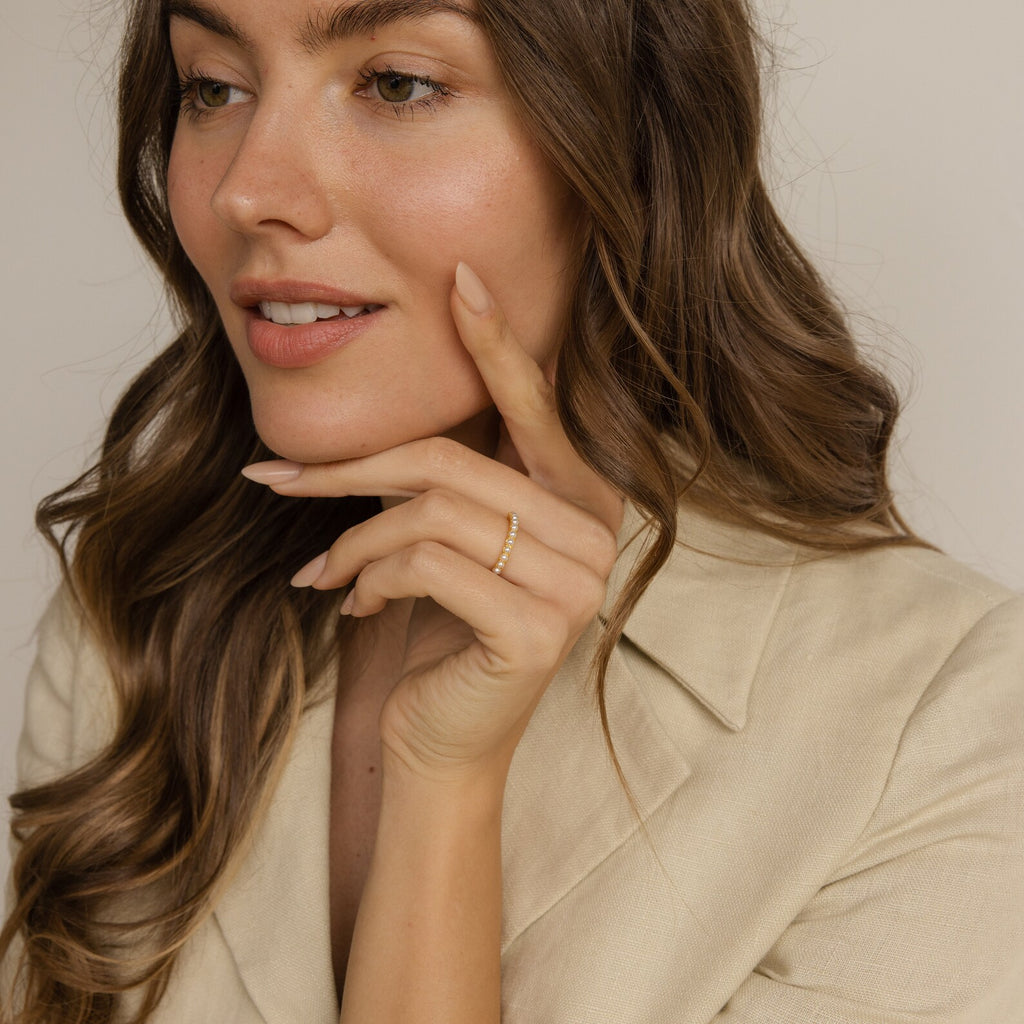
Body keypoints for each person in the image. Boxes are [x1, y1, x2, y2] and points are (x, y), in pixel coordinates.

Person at [3, 0, 1022, 1021]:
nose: (247, 190)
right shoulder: (138, 613)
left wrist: (441, 793)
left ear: (627, 138)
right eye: (213, 86)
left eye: (396, 84)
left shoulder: (941, 718)